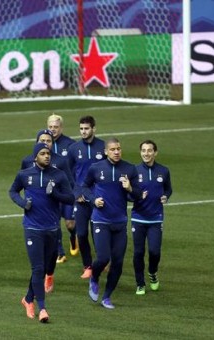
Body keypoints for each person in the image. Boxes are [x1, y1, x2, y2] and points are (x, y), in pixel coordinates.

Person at [10, 143, 75, 323]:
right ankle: (42, 308)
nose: (47, 156)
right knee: (37, 268)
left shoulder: (59, 175)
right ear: (35, 157)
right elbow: (13, 191)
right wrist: (23, 204)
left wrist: (55, 194)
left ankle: (28, 299)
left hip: (52, 229)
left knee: (44, 268)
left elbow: (70, 198)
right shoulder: (24, 175)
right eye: (42, 153)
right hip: (32, 228)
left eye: (48, 153)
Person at [83, 138, 140, 309]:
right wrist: (94, 200)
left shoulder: (129, 169)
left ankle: (107, 297)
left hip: (120, 222)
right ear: (106, 151)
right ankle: (94, 278)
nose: (116, 152)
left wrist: (130, 188)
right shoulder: (96, 168)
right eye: (113, 149)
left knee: (118, 262)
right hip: (100, 220)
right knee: (102, 258)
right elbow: (83, 187)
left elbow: (137, 195)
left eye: (119, 149)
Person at [20, 129, 74, 294]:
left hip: (54, 208)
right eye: (41, 140)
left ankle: (49, 273)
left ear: (53, 143)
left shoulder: (61, 162)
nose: (45, 143)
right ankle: (38, 291)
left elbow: (70, 186)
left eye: (48, 141)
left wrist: (58, 195)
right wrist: (25, 202)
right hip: (34, 213)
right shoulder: (27, 161)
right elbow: (21, 182)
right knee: (41, 256)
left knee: (53, 244)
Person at [131, 140, 172, 295]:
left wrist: (165, 197)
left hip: (156, 218)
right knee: (138, 252)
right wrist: (137, 196)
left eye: (149, 150)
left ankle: (153, 273)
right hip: (138, 217)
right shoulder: (134, 171)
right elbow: (128, 192)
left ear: (155, 152)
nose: (146, 153)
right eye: (143, 150)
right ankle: (140, 283)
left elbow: (168, 189)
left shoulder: (164, 171)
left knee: (154, 252)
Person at [67, 115, 106, 279]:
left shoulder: (103, 147)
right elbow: (68, 175)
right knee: (81, 234)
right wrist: (76, 193)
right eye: (81, 129)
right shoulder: (74, 149)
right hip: (81, 198)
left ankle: (102, 261)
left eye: (86, 128)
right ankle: (88, 266)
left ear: (94, 129)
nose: (83, 131)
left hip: (99, 197)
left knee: (98, 232)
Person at [47, 114, 77, 260]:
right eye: (50, 127)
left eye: (56, 127)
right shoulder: (44, 144)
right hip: (51, 191)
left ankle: (73, 236)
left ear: (61, 127)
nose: (53, 130)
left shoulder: (71, 145)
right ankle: (60, 252)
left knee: (70, 224)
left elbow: (76, 168)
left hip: (67, 190)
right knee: (54, 222)